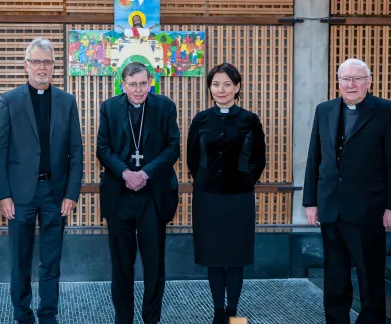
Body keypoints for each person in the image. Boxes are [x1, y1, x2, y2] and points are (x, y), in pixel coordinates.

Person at [303, 58, 391, 323]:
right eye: (345, 79)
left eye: (357, 78)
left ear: (368, 81)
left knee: (370, 276)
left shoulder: (386, 111)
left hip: (368, 210)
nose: (351, 84)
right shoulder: (324, 109)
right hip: (330, 208)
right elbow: (314, 157)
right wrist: (310, 202)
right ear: (338, 81)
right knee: (335, 277)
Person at [0, 37, 83, 324]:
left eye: (46, 61)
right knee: (20, 261)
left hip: (55, 194)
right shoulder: (9, 100)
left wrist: (71, 193)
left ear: (53, 66)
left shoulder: (67, 101)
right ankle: (23, 316)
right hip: (19, 195)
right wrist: (3, 195)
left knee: (51, 261)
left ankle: (48, 316)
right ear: (26, 65)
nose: (41, 67)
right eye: (35, 61)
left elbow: (76, 152)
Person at [96, 62, 180, 324]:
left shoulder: (164, 107)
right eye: (133, 84)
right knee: (122, 265)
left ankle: (151, 319)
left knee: (154, 266)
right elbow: (103, 148)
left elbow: (172, 148)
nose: (138, 90)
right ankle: (123, 319)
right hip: (119, 196)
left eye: (143, 84)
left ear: (150, 82)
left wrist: (145, 173)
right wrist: (126, 173)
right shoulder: (109, 108)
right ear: (123, 85)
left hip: (152, 196)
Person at [187, 63, 266, 324]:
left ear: (238, 87)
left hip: (239, 199)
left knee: (235, 258)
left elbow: (258, 160)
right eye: (216, 84)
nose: (221, 90)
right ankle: (218, 312)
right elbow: (192, 159)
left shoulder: (249, 119)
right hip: (207, 198)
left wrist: (242, 180)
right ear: (210, 87)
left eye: (227, 84)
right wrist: (205, 180)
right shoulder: (200, 119)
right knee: (213, 257)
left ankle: (233, 312)